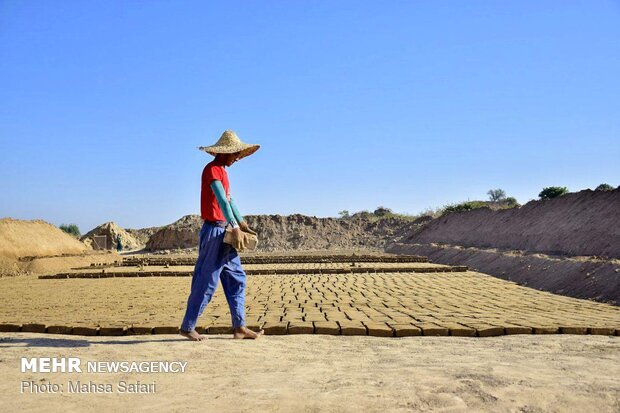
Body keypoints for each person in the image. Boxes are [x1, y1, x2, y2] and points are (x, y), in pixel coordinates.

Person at [179, 130, 264, 341]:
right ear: (226, 153)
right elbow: (221, 201)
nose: (237, 158)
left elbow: (231, 201)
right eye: (236, 154)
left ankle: (239, 327)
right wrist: (235, 227)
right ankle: (188, 326)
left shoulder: (223, 172)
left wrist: (242, 224)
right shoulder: (212, 170)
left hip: (226, 232)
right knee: (207, 281)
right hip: (215, 232)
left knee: (236, 279)